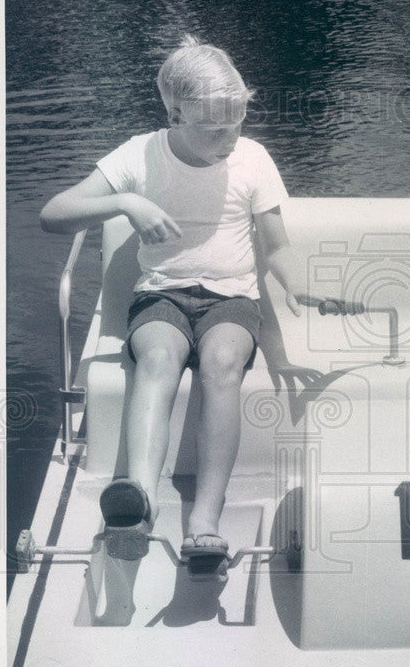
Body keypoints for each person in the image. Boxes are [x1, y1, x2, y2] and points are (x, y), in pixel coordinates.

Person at [40, 35, 312, 565]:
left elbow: (276, 247)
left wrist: (297, 283)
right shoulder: (140, 153)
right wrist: (124, 201)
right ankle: (137, 505)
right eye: (214, 128)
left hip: (231, 298)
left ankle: (205, 517)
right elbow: (54, 214)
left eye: (236, 122)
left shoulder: (253, 159)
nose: (229, 136)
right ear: (174, 112)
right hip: (161, 295)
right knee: (159, 358)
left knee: (222, 361)